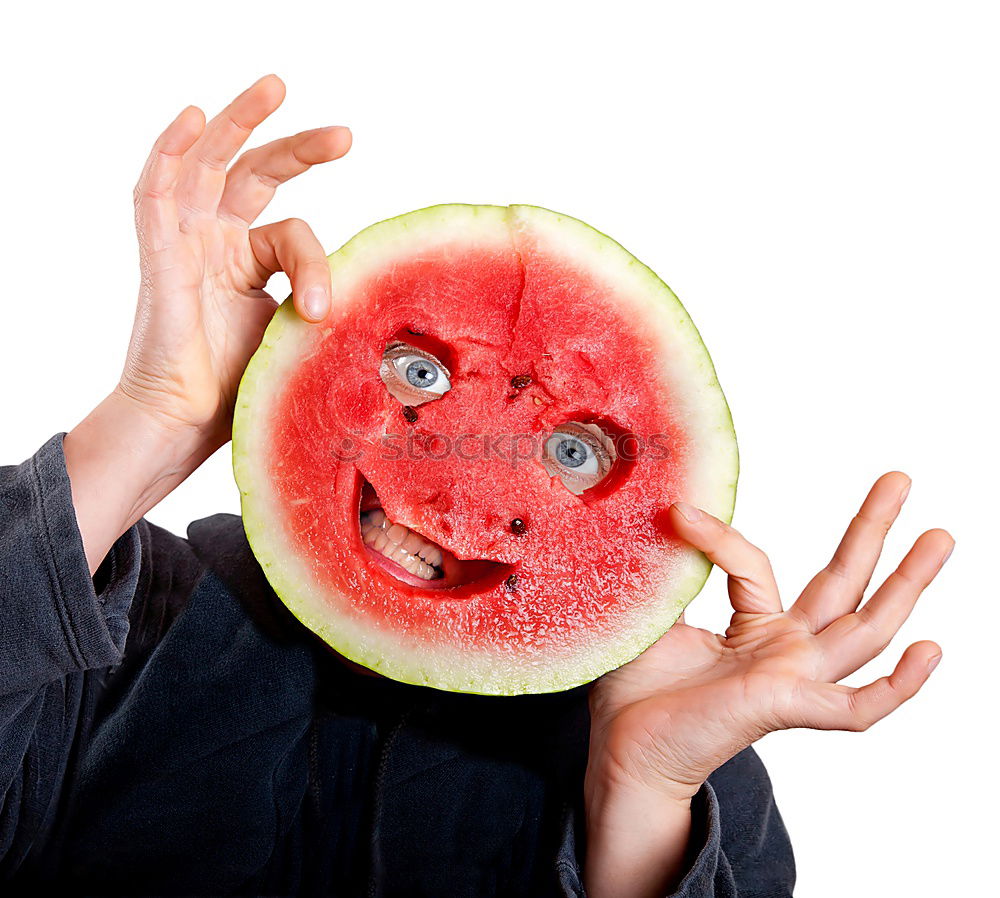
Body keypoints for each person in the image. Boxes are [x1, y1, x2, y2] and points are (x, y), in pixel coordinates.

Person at [0, 74, 952, 898]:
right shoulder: (112, 627)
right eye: (418, 374)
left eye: (571, 451)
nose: (453, 479)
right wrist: (150, 423)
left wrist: (641, 798)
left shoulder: (683, 756)